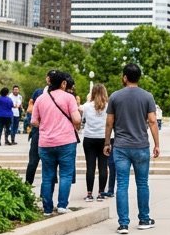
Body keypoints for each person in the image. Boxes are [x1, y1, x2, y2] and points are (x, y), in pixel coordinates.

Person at [105, 63, 161, 233]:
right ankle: (144, 219)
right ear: (139, 77)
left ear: (124, 77)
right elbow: (152, 121)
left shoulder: (115, 97)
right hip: (141, 145)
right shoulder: (147, 97)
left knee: (121, 184)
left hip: (121, 146)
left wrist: (107, 142)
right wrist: (157, 144)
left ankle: (123, 223)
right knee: (142, 184)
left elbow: (109, 122)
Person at [35, 70, 81, 215]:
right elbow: (77, 120)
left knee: (47, 176)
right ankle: (62, 205)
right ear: (63, 83)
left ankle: (47, 209)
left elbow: (34, 121)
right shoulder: (69, 97)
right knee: (66, 175)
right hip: (66, 141)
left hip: (46, 143)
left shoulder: (41, 99)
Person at [80, 83, 110, 201]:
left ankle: (89, 194)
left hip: (89, 138)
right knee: (103, 167)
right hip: (104, 138)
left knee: (90, 166)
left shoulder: (86, 106)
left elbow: (83, 120)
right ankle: (101, 193)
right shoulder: (108, 106)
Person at [24, 77, 48, 187]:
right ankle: (28, 185)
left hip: (46, 131)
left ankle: (44, 190)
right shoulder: (38, 92)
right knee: (34, 161)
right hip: (39, 131)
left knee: (46, 163)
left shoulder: (59, 94)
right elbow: (29, 109)